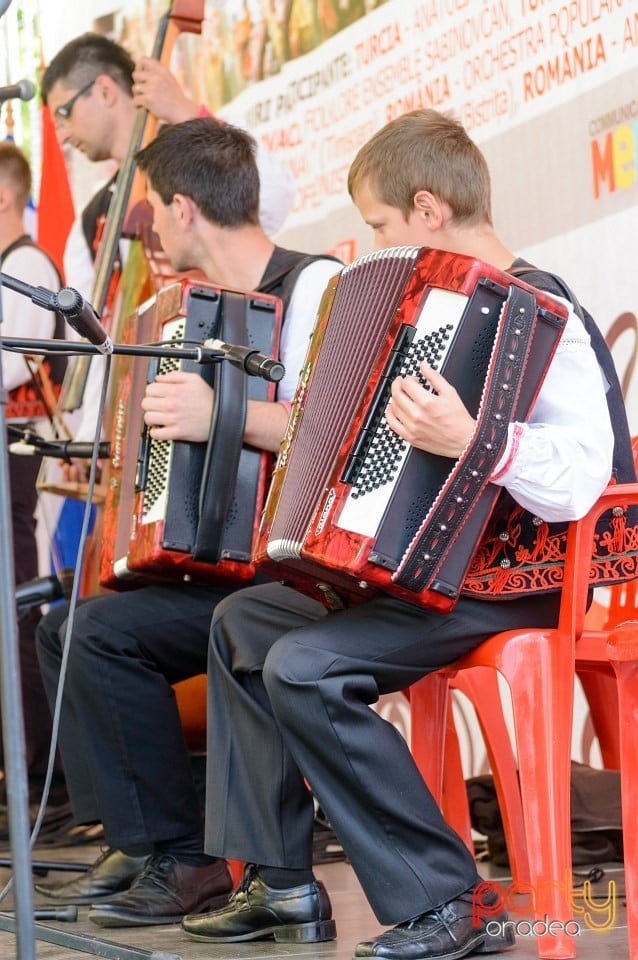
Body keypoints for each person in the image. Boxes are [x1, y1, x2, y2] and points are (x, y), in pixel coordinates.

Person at [178, 109, 636, 959]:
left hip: (518, 582)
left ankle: (450, 900)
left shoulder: (544, 310)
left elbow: (586, 474)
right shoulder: (440, 309)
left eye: (383, 224)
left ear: (428, 209)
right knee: (243, 622)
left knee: (306, 666)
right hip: (440, 575)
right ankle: (281, 885)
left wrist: (477, 441)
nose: (383, 243)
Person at [34, 116, 341, 926]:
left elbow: (333, 428)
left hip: (299, 574)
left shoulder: (309, 286)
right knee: (67, 630)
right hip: (228, 570)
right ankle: (142, 841)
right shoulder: (194, 315)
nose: (152, 233)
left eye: (152, 216)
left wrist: (220, 413)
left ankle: (186, 858)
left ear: (184, 209)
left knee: (101, 635)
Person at [39, 31, 294, 447]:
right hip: (146, 409)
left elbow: (275, 199)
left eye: (64, 114)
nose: (63, 136)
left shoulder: (197, 159)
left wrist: (186, 112)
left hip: (230, 377)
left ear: (104, 90)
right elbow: (94, 336)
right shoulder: (89, 222)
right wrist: (92, 442)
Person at [0, 143, 72, 838]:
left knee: (17, 611)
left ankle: (45, 789)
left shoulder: (24, 265)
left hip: (18, 461)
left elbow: (10, 365)